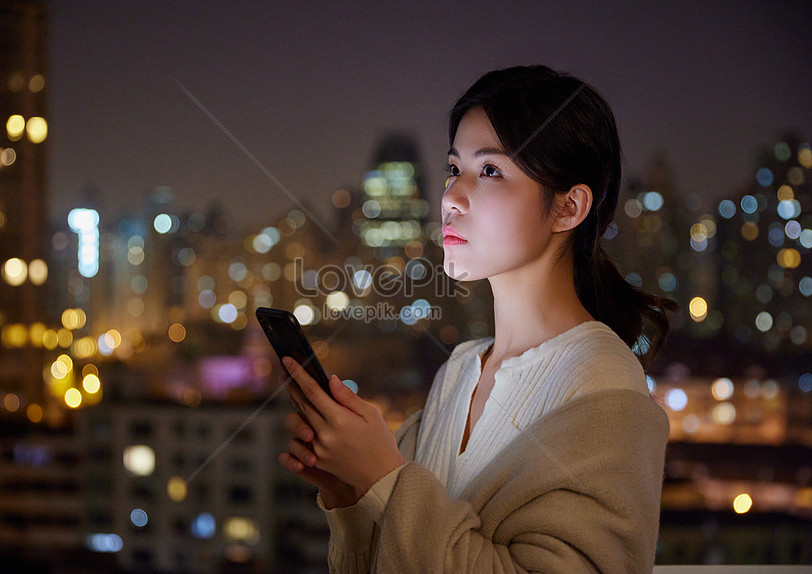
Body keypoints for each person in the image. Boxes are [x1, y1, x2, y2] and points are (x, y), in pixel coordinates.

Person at [278, 65, 677, 573]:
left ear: (569, 207)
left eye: (489, 171)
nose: (450, 198)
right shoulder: (460, 371)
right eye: (453, 169)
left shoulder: (602, 386)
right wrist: (354, 493)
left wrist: (385, 478)